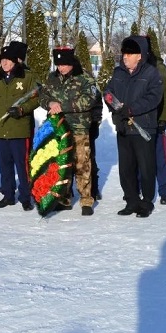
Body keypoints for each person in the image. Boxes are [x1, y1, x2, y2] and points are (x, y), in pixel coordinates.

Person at [104, 36, 164, 218]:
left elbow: (154, 98)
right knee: (126, 168)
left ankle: (146, 202)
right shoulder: (118, 73)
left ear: (140, 55)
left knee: (146, 167)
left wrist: (131, 109)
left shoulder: (151, 73)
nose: (125, 57)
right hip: (123, 127)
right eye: (124, 53)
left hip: (143, 127)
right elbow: (108, 92)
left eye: (130, 53)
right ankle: (131, 200)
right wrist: (114, 106)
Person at [40, 47, 99, 215]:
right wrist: (50, 103)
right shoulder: (52, 78)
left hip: (79, 128)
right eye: (58, 65)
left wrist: (62, 106)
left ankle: (86, 200)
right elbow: (42, 96)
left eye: (64, 64)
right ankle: (64, 198)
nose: (61, 68)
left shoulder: (85, 78)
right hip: (58, 128)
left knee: (82, 164)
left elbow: (89, 100)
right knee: (62, 164)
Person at [0, 45, 40, 211]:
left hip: (19, 130)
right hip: (1, 130)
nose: (5, 63)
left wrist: (22, 109)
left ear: (16, 61)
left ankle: (25, 196)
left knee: (23, 166)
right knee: (5, 165)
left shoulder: (27, 77)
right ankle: (7, 195)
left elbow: (37, 98)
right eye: (2, 60)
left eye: (8, 60)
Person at [147, 39, 166, 205]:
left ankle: (165, 190)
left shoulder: (159, 68)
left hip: (157, 121)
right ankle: (141, 188)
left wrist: (164, 118)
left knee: (159, 158)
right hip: (139, 122)